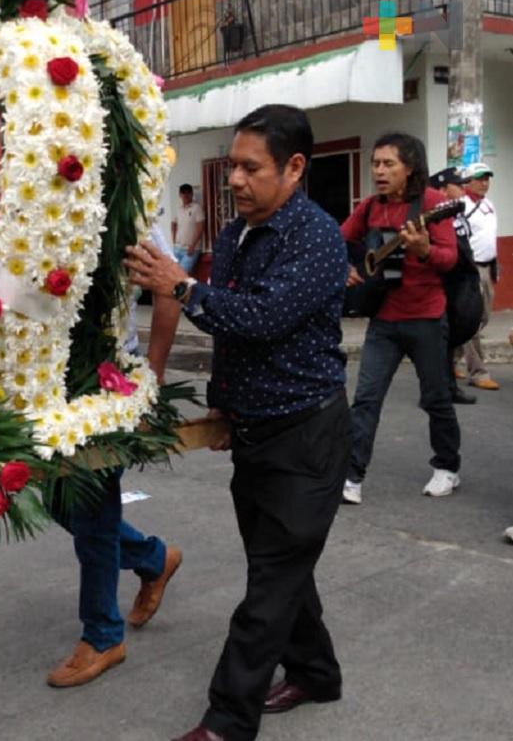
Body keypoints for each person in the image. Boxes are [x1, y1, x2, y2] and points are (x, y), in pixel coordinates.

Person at [127, 104, 351, 741]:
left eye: (252, 168)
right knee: (279, 571)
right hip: (255, 433)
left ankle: (226, 721)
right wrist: (224, 403)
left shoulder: (315, 237)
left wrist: (181, 287)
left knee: (269, 588)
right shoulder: (235, 236)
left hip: (306, 437)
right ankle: (316, 672)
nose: (235, 180)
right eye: (233, 166)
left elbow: (261, 317)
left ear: (294, 168)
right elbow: (232, 335)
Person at [46, 221, 183, 689]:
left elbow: (169, 288)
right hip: (49, 384)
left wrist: (153, 377)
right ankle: (153, 558)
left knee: (93, 507)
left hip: (110, 385)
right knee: (58, 502)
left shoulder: (129, 211)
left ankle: (103, 635)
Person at [340, 133, 460, 505]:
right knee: (366, 398)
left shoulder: (433, 203)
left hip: (426, 316)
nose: (378, 171)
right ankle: (352, 476)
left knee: (436, 398)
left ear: (409, 168)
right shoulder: (370, 207)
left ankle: (447, 467)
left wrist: (424, 250)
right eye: (375, 163)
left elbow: (449, 258)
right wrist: (344, 266)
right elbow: (335, 239)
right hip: (384, 319)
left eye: (388, 163)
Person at [427, 167, 477, 406]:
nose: (463, 189)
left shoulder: (456, 211)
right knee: (442, 339)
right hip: (447, 284)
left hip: (462, 283)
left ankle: (447, 387)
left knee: (454, 335)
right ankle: (441, 390)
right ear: (444, 189)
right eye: (459, 185)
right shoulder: (436, 215)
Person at [459, 162, 498, 391]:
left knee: (484, 318)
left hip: (487, 267)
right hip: (470, 269)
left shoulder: (488, 204)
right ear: (468, 181)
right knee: (472, 320)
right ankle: (478, 372)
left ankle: (451, 358)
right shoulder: (461, 205)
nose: (485, 183)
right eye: (480, 178)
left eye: (487, 178)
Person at [171, 183, 205, 272]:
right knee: (173, 273)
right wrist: (174, 241)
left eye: (188, 192)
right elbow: (173, 224)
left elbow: (200, 229)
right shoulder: (178, 209)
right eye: (183, 193)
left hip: (190, 249)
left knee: (181, 274)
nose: (186, 195)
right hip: (177, 248)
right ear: (180, 195)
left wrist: (193, 246)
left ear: (192, 194)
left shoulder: (197, 208)